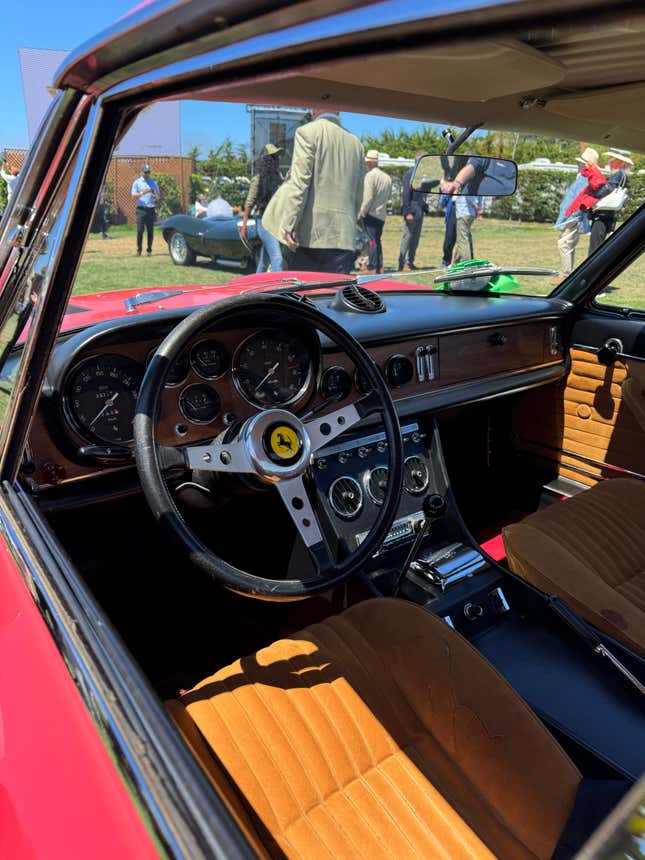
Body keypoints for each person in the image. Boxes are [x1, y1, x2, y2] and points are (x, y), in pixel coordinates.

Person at [262, 108, 365, 274]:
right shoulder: (356, 143)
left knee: (302, 297)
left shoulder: (307, 132)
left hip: (310, 237)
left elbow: (300, 183)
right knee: (334, 296)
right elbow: (359, 194)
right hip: (344, 238)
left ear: (313, 107)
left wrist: (289, 224)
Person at [552, 148, 596, 279]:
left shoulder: (584, 180)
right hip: (573, 218)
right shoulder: (583, 179)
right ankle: (567, 273)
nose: (578, 165)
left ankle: (565, 275)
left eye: (581, 163)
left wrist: (568, 218)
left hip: (571, 218)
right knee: (568, 246)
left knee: (564, 245)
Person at [240, 143, 284, 272]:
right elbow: (249, 203)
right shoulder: (257, 180)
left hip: (276, 223)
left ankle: (256, 283)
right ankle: (278, 290)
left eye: (277, 157)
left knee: (264, 261)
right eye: (273, 157)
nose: (276, 160)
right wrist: (244, 226)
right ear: (267, 160)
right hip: (264, 223)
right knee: (277, 259)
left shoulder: (279, 178)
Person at [588, 148, 633, 255]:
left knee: (595, 246)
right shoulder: (622, 175)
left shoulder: (619, 175)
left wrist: (593, 197)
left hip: (603, 214)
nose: (609, 162)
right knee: (598, 244)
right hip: (607, 213)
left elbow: (608, 188)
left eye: (611, 160)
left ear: (620, 162)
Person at [358, 149, 392, 274]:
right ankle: (380, 266)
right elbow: (388, 197)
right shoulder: (387, 178)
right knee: (377, 241)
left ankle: (372, 266)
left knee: (371, 242)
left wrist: (361, 213)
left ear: (370, 163)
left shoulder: (370, 176)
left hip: (371, 214)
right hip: (381, 215)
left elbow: (368, 198)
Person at [398, 152, 429, 271]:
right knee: (408, 237)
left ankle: (410, 262)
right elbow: (406, 195)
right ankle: (402, 263)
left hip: (419, 211)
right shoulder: (410, 174)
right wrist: (407, 212)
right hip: (411, 210)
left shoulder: (423, 176)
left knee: (415, 239)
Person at [131, 163, 160, 256]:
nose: (147, 174)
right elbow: (133, 195)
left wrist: (155, 195)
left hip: (151, 209)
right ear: (141, 172)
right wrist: (142, 193)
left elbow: (158, 197)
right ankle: (139, 250)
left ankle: (149, 250)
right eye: (145, 172)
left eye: (148, 172)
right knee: (140, 230)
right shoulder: (137, 182)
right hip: (141, 210)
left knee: (150, 231)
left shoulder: (153, 182)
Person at [452, 193, 483, 263]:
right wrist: (478, 210)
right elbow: (481, 197)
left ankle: (466, 263)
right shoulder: (479, 184)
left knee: (462, 240)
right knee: (462, 239)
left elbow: (469, 195)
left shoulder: (467, 183)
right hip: (470, 214)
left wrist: (475, 207)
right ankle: (456, 262)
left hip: (463, 212)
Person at [439, 193, 456, 268]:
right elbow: (442, 204)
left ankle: (466, 262)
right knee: (449, 239)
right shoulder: (451, 187)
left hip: (464, 212)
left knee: (464, 240)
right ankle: (446, 260)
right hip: (452, 211)